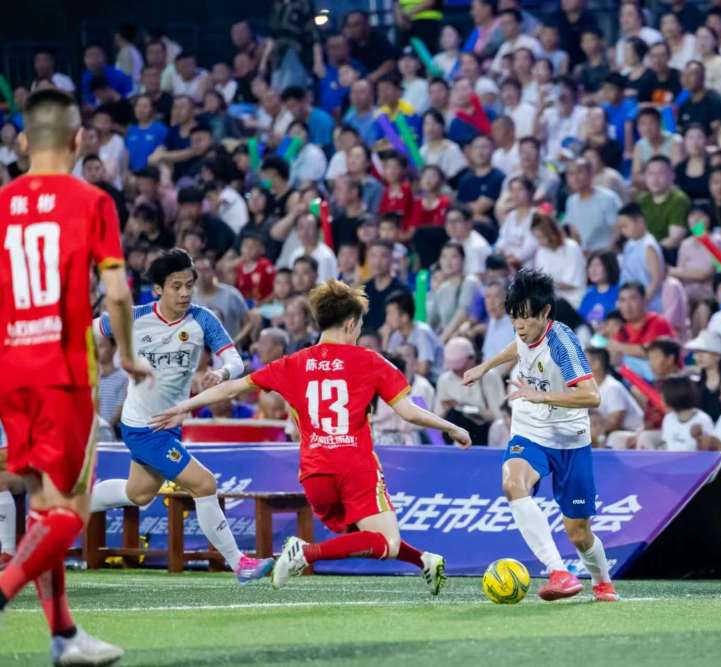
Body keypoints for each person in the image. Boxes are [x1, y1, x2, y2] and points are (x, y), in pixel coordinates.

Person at [152, 279, 471, 592]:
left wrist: (184, 407)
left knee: (367, 534)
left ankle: (425, 560)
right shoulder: (370, 360)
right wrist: (452, 427)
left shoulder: (292, 364)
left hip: (315, 475)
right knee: (386, 542)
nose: (359, 334)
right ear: (350, 324)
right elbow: (408, 412)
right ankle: (305, 553)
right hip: (355, 467)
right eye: (359, 327)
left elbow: (232, 388)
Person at [0, 88, 151, 664]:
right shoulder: (92, 200)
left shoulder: (2, 202)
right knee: (70, 511)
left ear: (22, 141)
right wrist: (128, 354)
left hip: (11, 369)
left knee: (43, 506)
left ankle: (64, 635)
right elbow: (117, 292)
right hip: (62, 371)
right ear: (79, 139)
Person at [89, 250, 273, 585]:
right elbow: (90, 330)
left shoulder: (203, 319)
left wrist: (222, 373)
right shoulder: (133, 317)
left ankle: (73, 506)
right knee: (204, 484)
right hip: (144, 427)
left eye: (189, 285)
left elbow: (235, 360)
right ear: (158, 289)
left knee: (139, 494)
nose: (185, 292)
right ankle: (240, 564)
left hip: (171, 424)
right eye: (176, 286)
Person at [462, 269, 617, 601]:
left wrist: (541, 395)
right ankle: (557, 571)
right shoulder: (524, 329)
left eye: (526, 318)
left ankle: (602, 581)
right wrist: (485, 366)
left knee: (579, 533)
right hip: (530, 431)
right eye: (514, 318)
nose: (519, 326)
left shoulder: (563, 343)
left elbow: (592, 396)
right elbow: (518, 346)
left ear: (545, 313)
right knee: (512, 482)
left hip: (570, 441)